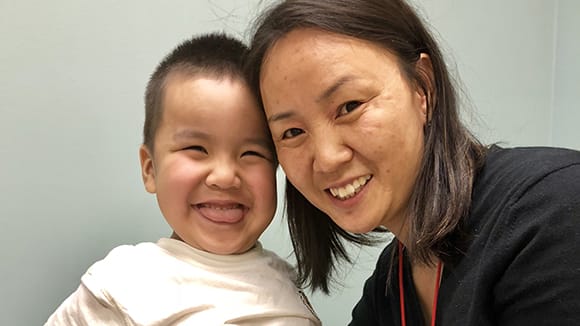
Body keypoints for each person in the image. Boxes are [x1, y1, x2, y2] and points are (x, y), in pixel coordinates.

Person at [245, 0, 580, 325]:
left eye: (349, 106)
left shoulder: (551, 210)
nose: (327, 159)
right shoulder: (390, 286)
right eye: (291, 131)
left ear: (423, 86)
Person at [45, 33, 320, 326]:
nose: (225, 177)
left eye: (251, 152)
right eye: (196, 149)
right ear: (150, 169)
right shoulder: (122, 282)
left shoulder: (286, 281)